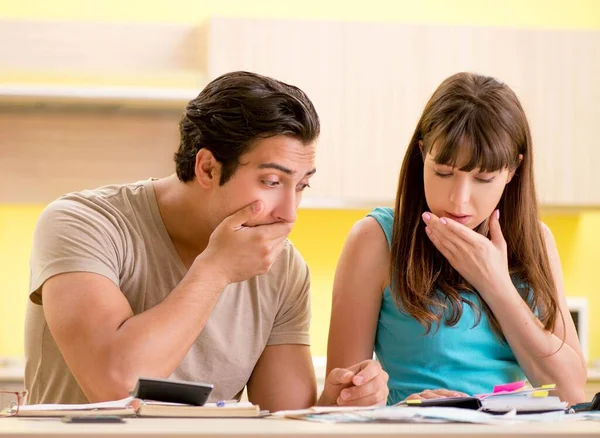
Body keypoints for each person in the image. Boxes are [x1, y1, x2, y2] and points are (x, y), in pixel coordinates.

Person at [24, 71, 388, 411]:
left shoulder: (282, 267)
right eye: (273, 182)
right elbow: (117, 387)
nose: (289, 213)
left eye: (302, 185)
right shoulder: (81, 223)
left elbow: (286, 420)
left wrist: (339, 403)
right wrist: (215, 270)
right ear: (208, 168)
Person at [326, 72, 586, 406]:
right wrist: (402, 409)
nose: (458, 200)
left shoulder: (537, 241)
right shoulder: (375, 239)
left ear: (511, 171)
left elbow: (571, 392)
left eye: (483, 178)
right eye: (443, 173)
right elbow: (338, 404)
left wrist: (494, 282)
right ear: (422, 154)